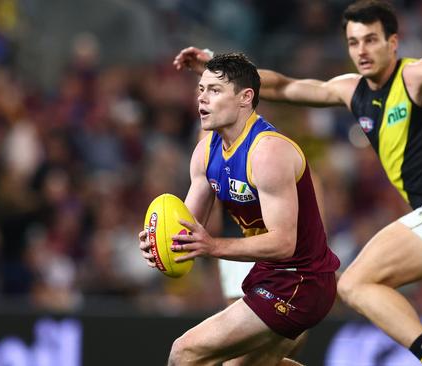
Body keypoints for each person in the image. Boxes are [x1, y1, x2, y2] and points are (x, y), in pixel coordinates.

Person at [173, 1, 422, 365]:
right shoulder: (351, 89)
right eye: (354, 42)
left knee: (354, 283)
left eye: (371, 39)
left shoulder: (414, 76)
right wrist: (215, 65)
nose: (362, 50)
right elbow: (286, 87)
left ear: (393, 42)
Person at [139, 52, 340, 366]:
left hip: (299, 281)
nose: (202, 98)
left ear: (246, 98)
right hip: (271, 275)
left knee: (185, 352)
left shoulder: (268, 152)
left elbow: (283, 243)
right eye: (201, 89)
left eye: (214, 91)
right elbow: (186, 229)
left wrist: (212, 245)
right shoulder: (206, 152)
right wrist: (160, 243)